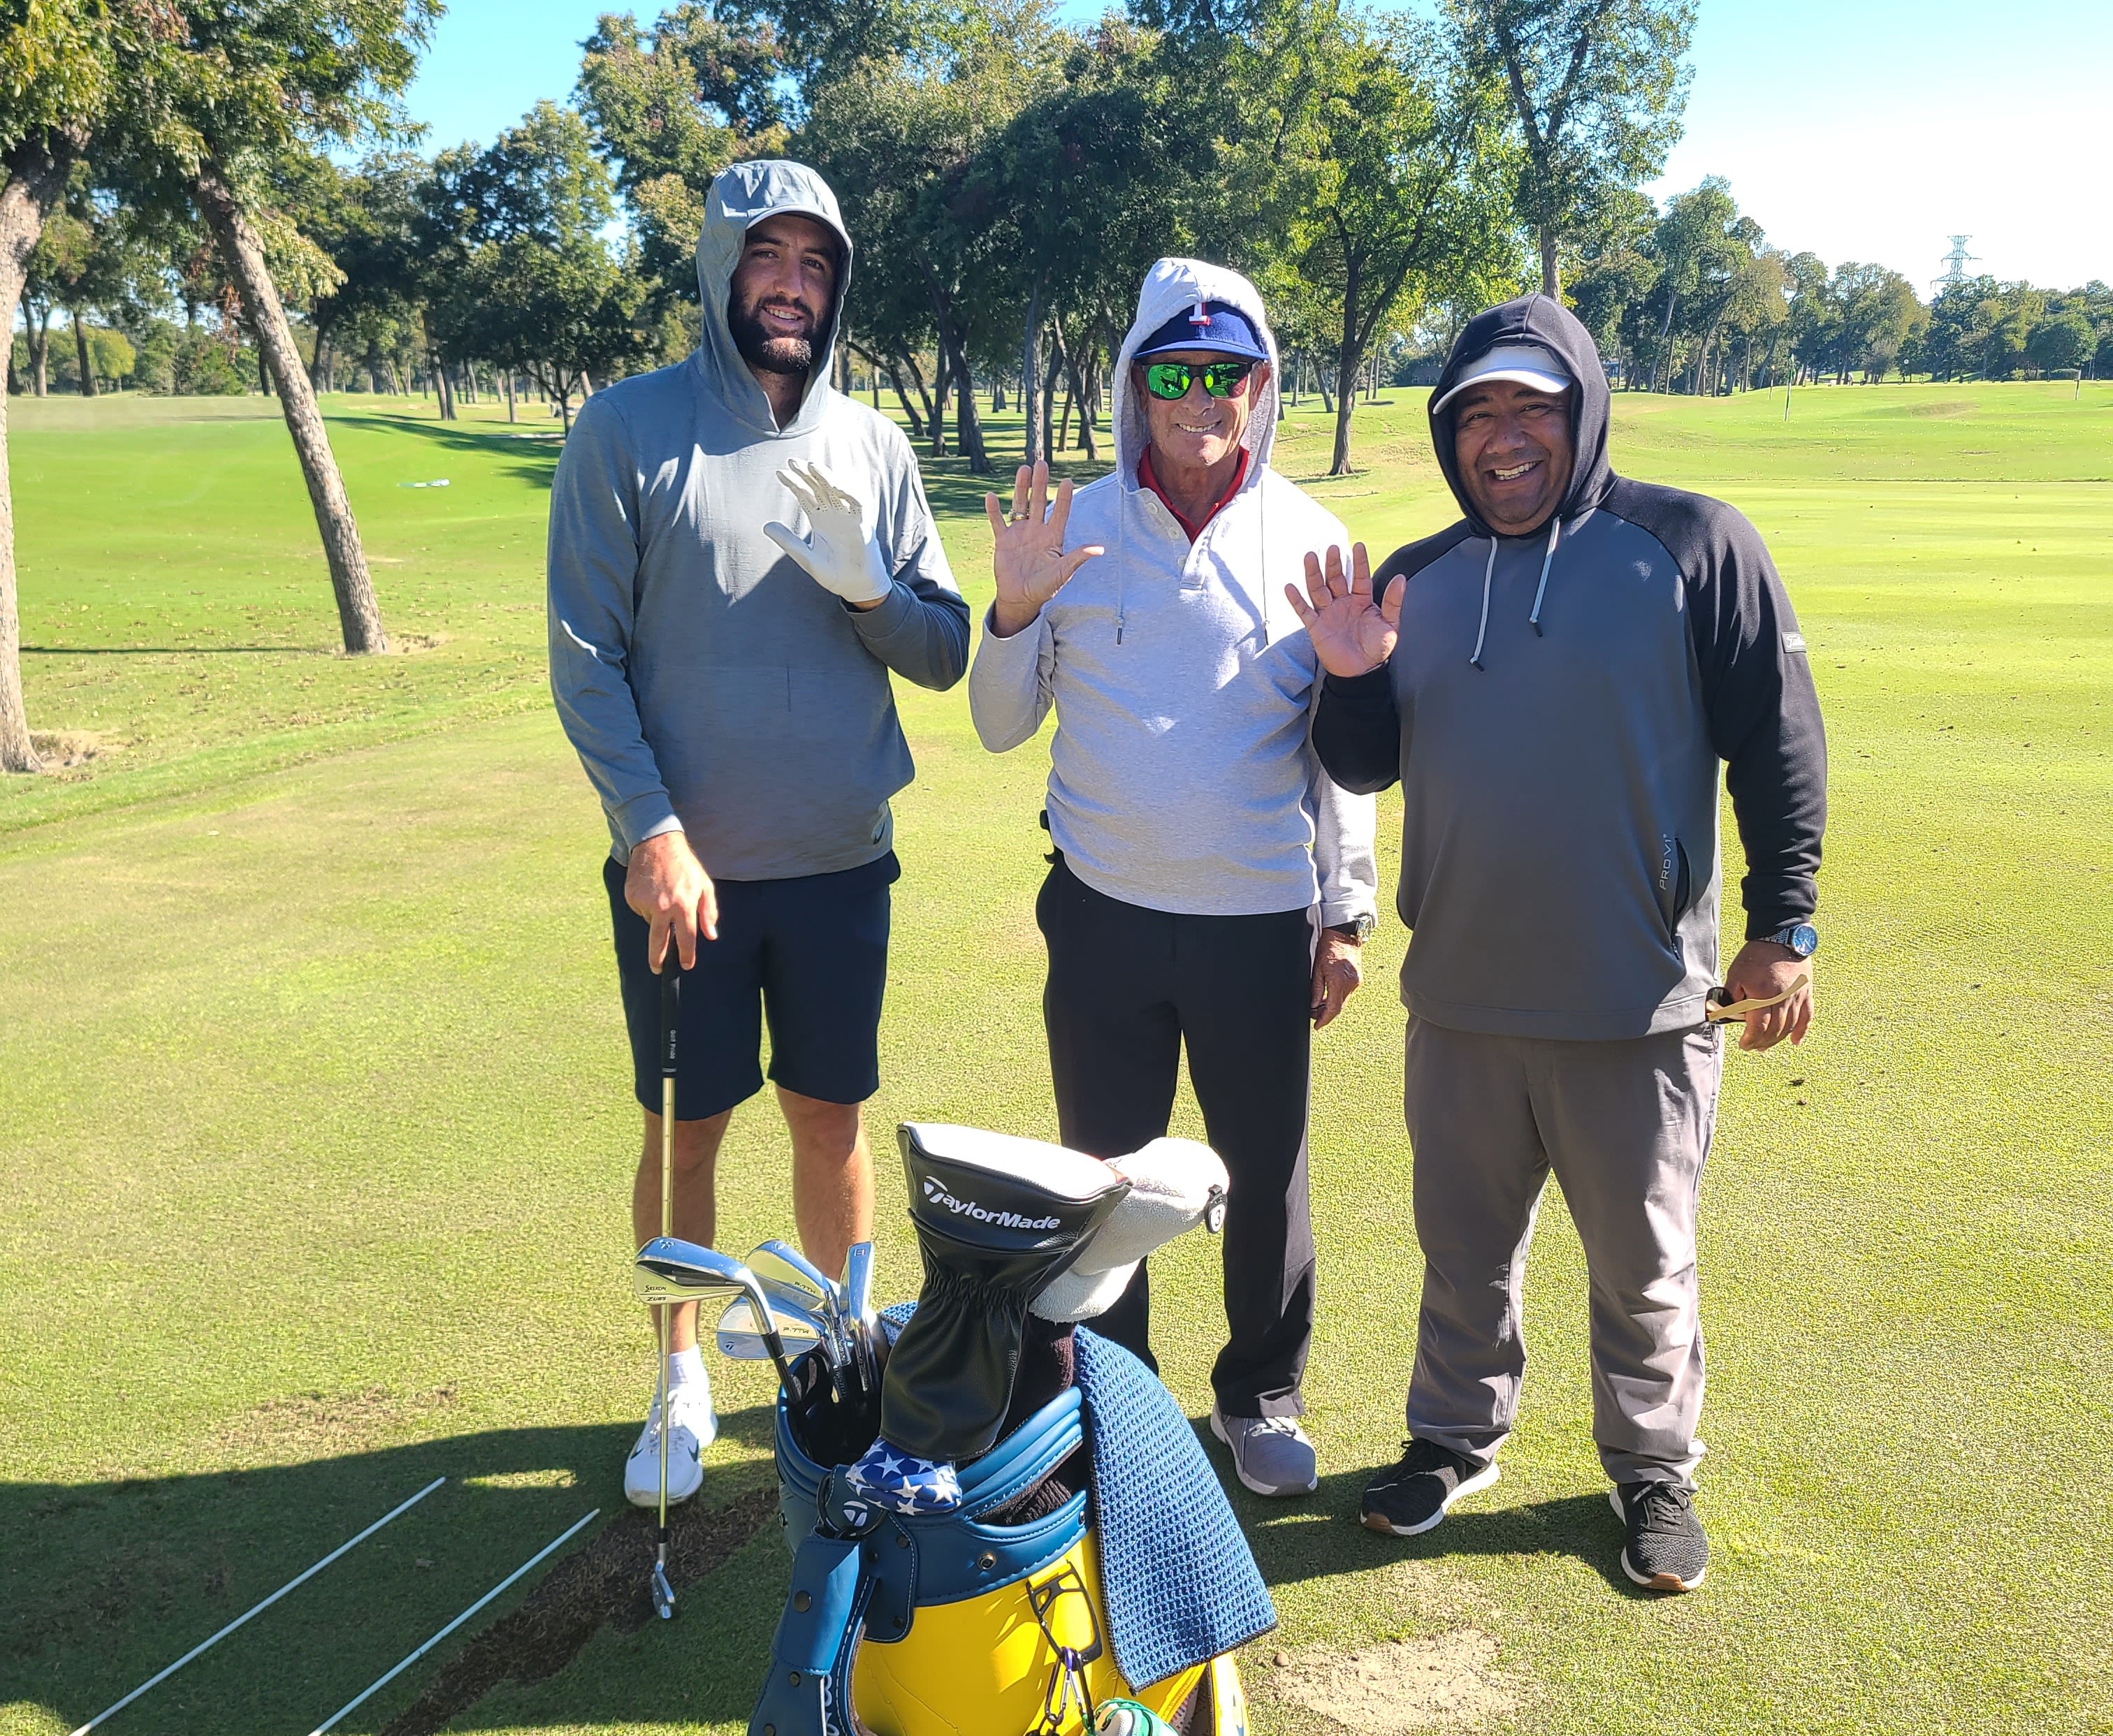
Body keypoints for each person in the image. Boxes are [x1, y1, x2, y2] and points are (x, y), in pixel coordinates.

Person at [1289, 294, 1826, 1592]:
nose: (1505, 436)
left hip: (1636, 1002)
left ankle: (1651, 1470)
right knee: (1462, 1248)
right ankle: (1452, 1439)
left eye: (1533, 405)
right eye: (1478, 411)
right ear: (1448, 431)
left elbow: (1778, 736)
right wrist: (1353, 673)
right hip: (1462, 999)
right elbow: (1360, 760)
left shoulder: (1689, 544)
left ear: (1583, 409)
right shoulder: (1419, 578)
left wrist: (1785, 923)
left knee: (1644, 1264)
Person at [546, 159, 969, 1510]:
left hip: (840, 857)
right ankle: (679, 1376)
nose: (791, 285)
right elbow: (584, 658)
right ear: (724, 269)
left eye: (815, 264)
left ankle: (837, 1356)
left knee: (831, 1120)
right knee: (686, 1132)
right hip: (687, 875)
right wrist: (648, 828)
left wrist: (868, 593)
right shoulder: (626, 430)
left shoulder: (876, 446)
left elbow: (946, 648)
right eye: (766, 257)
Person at [969, 258, 1379, 1499]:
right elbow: (997, 727)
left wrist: (1347, 911)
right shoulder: (1074, 527)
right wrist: (1014, 609)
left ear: (1263, 386)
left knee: (1265, 1172)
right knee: (1108, 1178)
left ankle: (1260, 1394)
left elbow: (1338, 756)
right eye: (1177, 373)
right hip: (1102, 918)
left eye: (1231, 373)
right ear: (1136, 387)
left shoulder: (1309, 537)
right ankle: (1119, 1398)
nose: (1204, 399)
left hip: (1258, 919)